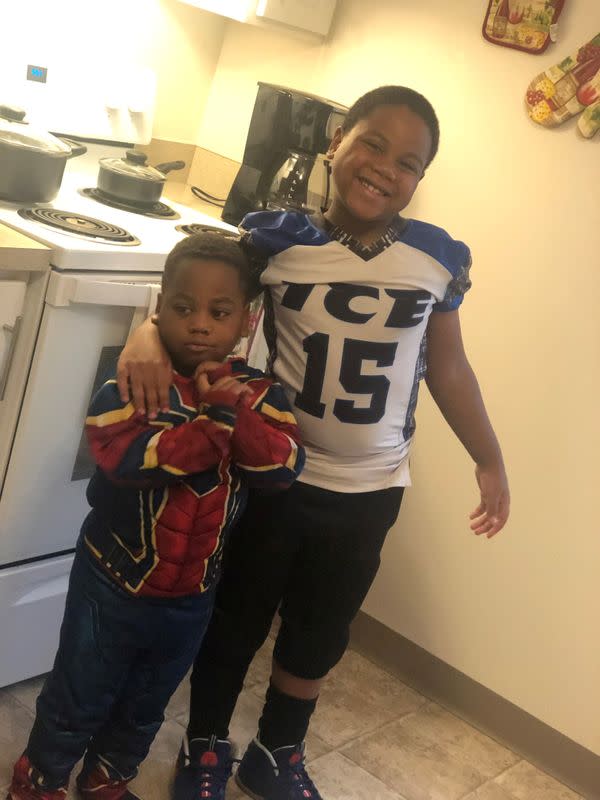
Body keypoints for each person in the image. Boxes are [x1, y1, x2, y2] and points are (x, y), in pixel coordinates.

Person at [116, 85, 511, 800]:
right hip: (277, 477)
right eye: (372, 143)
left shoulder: (436, 258)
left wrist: (490, 457)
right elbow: (200, 294)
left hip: (371, 488)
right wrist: (147, 331)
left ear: (420, 180)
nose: (385, 167)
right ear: (336, 140)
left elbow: (447, 365)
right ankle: (204, 744)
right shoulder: (276, 240)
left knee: (321, 631)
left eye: (409, 162)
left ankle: (277, 750)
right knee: (238, 617)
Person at [6, 233, 305, 800]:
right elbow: (120, 456)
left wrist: (233, 417)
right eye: (183, 308)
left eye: (219, 313)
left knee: (147, 706)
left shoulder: (260, 395)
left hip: (192, 598)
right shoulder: (137, 379)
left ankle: (106, 781)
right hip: (111, 585)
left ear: (247, 318)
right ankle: (39, 779)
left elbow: (285, 465)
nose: (199, 325)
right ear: (159, 307)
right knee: (78, 694)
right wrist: (207, 429)